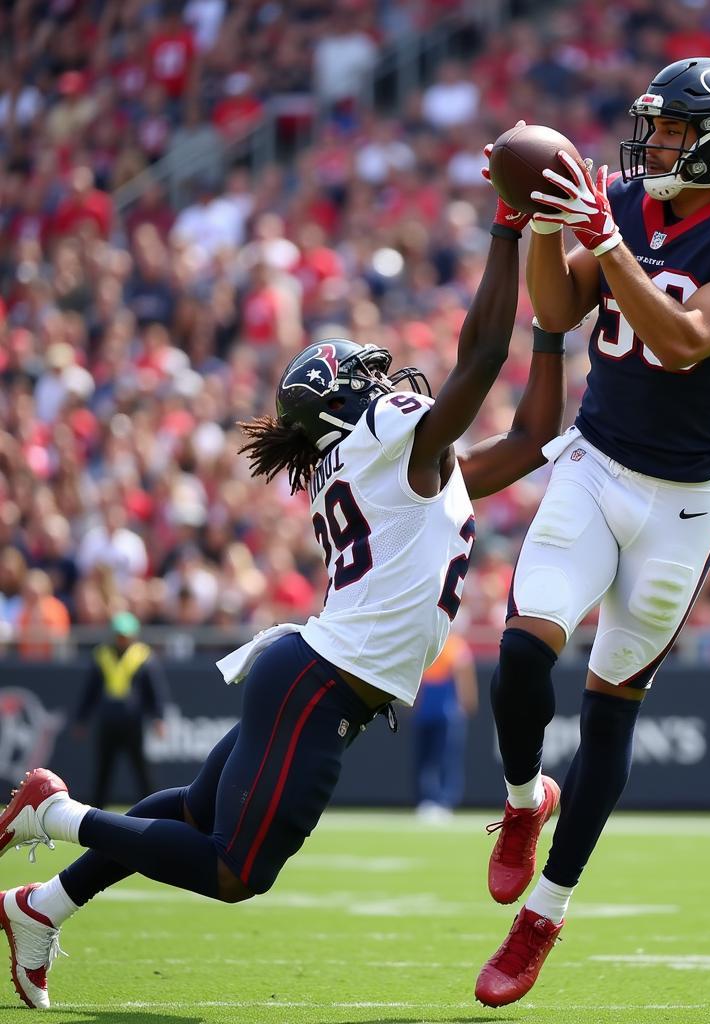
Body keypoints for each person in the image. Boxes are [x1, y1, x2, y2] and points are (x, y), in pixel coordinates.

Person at [0, 198, 566, 1010]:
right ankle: (56, 814)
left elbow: (531, 437)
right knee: (235, 872)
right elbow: (478, 365)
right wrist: (508, 230)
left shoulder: (402, 475)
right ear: (343, 406)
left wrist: (550, 331)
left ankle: (41, 905)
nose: (386, 382)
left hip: (314, 675)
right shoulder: (386, 451)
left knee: (195, 811)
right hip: (320, 683)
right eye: (364, 380)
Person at [475, 57, 710, 1007]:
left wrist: (604, 238)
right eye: (654, 127)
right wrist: (550, 225)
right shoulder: (628, 198)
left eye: (673, 131)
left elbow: (683, 338)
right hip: (594, 462)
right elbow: (558, 306)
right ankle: (518, 802)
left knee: (612, 703)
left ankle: (544, 913)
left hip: (684, 500)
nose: (654, 144)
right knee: (519, 655)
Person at [73, 612, 168, 809]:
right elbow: (90, 690)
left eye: (126, 635)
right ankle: (96, 811)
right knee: (103, 771)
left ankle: (152, 808)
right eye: (119, 635)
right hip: (108, 722)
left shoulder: (144, 657)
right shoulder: (102, 655)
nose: (122, 639)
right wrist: (82, 718)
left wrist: (158, 717)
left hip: (133, 723)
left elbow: (155, 691)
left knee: (141, 770)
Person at [412, 629, 478, 821]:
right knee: (424, 759)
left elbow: (465, 679)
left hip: (447, 714)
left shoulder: (456, 646)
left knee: (446, 759)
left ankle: (444, 801)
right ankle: (426, 800)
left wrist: (467, 704)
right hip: (425, 713)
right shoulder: (426, 645)